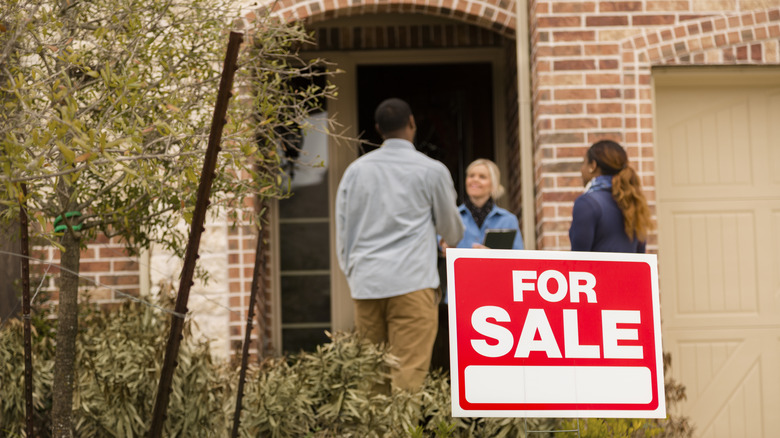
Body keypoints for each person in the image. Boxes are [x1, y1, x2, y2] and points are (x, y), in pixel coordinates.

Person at [335, 97, 464, 392]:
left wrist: (353, 273)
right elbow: (452, 231)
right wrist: (448, 237)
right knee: (408, 375)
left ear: (379, 129)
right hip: (412, 282)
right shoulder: (431, 170)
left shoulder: (356, 172)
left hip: (367, 284)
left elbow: (344, 231)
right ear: (412, 124)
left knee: (371, 377)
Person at [569, 139, 651, 253]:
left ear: (593, 165)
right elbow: (640, 256)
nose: (581, 170)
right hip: (627, 271)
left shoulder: (587, 203)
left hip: (597, 271)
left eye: (584, 163)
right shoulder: (633, 201)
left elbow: (578, 261)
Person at [441, 158, 524, 251]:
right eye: (471, 176)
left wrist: (491, 256)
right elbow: (438, 247)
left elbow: (518, 259)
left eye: (482, 177)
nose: (475, 180)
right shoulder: (451, 217)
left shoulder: (508, 220)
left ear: (493, 184)